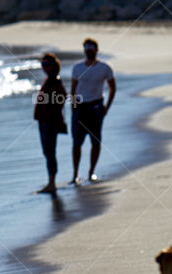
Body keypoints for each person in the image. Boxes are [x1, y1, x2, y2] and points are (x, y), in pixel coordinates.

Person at [70, 38, 116, 184]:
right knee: (77, 143)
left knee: (95, 141)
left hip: (96, 107)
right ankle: (75, 174)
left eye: (91, 47)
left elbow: (112, 87)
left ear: (96, 49)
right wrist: (73, 107)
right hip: (80, 108)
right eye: (86, 47)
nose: (88, 50)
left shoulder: (104, 68)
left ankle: (91, 172)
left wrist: (107, 107)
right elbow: (73, 89)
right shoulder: (77, 68)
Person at [34, 53, 68, 194]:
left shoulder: (55, 81)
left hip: (50, 122)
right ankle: (51, 181)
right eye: (43, 64)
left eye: (47, 64)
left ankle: (52, 183)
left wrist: (50, 116)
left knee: (49, 152)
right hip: (45, 121)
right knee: (48, 152)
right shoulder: (49, 80)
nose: (44, 67)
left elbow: (63, 97)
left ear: (54, 65)